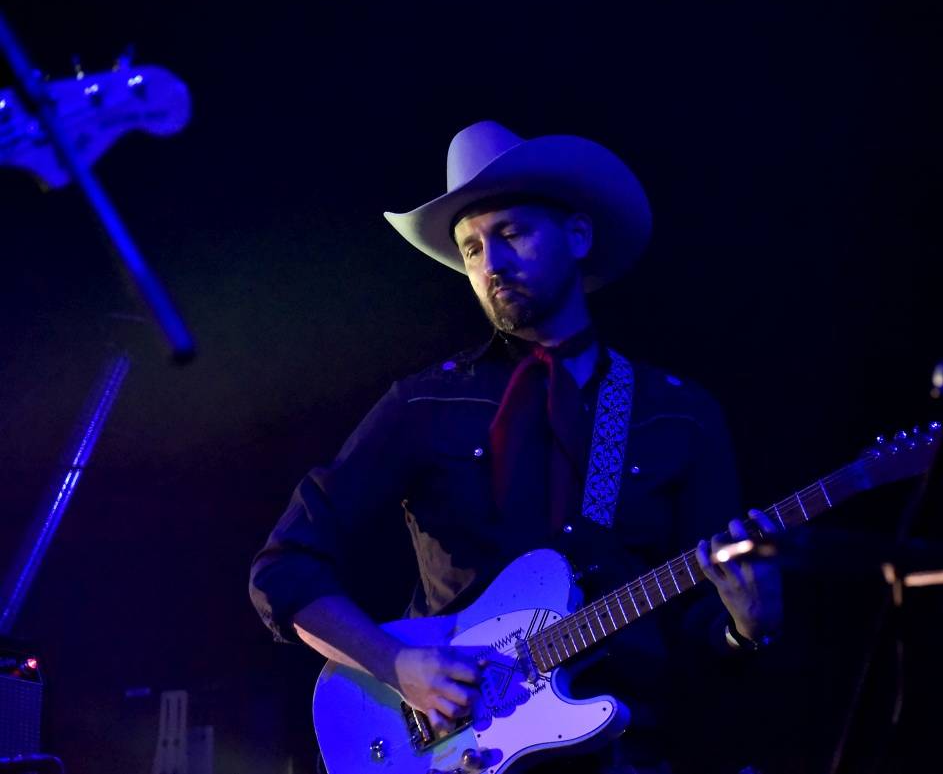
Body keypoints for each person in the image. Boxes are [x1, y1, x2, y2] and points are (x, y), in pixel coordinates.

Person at [249, 120, 785, 773]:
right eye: (471, 248)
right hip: (457, 753)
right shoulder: (426, 403)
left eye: (510, 233)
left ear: (578, 236)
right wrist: (396, 665)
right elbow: (284, 569)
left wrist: (744, 628)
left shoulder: (679, 414)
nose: (490, 264)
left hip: (630, 752)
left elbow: (704, 640)